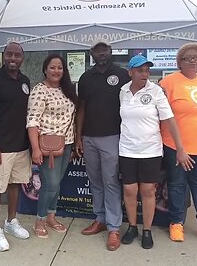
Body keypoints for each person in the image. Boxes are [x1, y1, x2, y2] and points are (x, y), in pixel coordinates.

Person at [118, 55, 192, 249]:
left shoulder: (156, 91)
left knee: (148, 190)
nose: (145, 74)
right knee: (129, 190)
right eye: (140, 70)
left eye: (147, 70)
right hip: (127, 148)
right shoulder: (123, 91)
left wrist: (180, 148)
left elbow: (169, 120)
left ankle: (147, 230)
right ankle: (132, 226)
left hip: (150, 150)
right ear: (130, 72)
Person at [160, 42, 197, 246]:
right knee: (177, 186)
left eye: (196, 57)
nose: (193, 61)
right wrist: (179, 149)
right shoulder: (169, 82)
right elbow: (163, 116)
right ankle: (176, 223)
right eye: (188, 58)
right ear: (180, 62)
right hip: (176, 146)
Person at [75, 40, 130, 251]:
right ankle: (100, 219)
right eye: (97, 51)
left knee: (110, 182)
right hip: (89, 138)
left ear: (110, 52)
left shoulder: (123, 75)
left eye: (104, 50)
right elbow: (81, 109)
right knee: (95, 181)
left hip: (112, 137)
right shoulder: (86, 77)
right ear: (92, 54)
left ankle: (114, 228)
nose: (101, 54)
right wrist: (78, 136)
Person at [0, 42, 31, 252]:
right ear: (3, 56)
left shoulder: (25, 81)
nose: (13, 58)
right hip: (0, 146)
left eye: (17, 55)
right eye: (9, 54)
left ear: (22, 58)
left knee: (15, 184)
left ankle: (11, 222)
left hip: (21, 145)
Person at [27, 54, 78, 239]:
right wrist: (35, 149)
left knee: (56, 185)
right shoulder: (39, 91)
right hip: (47, 146)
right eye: (52, 67)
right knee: (51, 184)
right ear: (45, 69)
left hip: (67, 144)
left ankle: (51, 217)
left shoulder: (67, 90)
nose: (56, 71)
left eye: (60, 68)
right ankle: (39, 220)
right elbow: (32, 121)